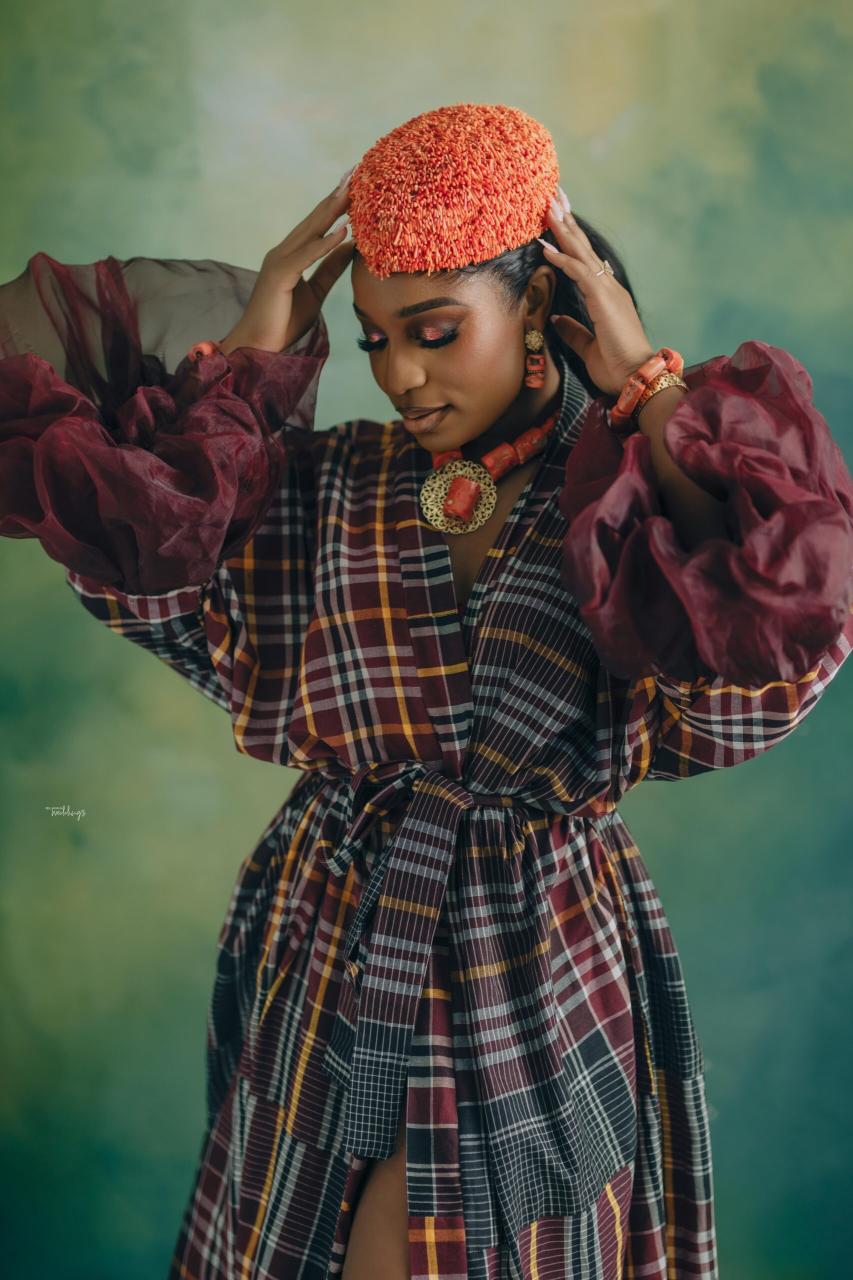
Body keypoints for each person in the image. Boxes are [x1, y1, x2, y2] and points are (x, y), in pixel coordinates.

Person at [1, 102, 852, 1280]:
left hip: (539, 959)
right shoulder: (323, 484)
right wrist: (251, 352)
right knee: (304, 1234)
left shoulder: (631, 513)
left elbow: (783, 633)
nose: (399, 373)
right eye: (373, 340)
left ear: (542, 312)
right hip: (331, 936)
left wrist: (646, 382)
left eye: (435, 332)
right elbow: (145, 582)